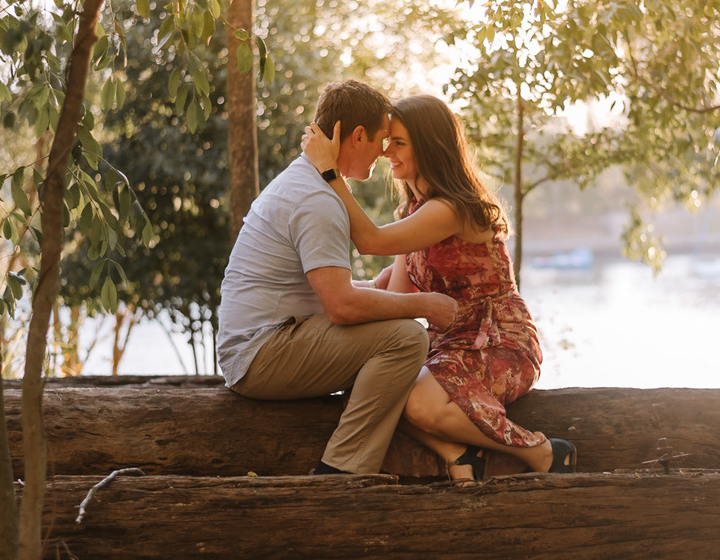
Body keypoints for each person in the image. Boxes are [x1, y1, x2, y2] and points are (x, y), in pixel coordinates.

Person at [302, 93, 577, 481]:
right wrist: (324, 299)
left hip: (499, 340)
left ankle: (541, 450)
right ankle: (460, 453)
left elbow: (371, 241)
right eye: (386, 142)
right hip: (447, 346)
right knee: (369, 388)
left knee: (419, 404)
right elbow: (396, 297)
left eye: (398, 143)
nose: (386, 153)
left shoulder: (451, 209)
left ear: (428, 146)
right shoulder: (414, 212)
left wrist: (330, 171)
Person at [216, 80, 458, 475]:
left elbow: (319, 289)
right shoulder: (317, 200)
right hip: (259, 355)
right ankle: (343, 470)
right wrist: (423, 304)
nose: (383, 154)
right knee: (406, 337)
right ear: (358, 135)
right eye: (382, 141)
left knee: (394, 327)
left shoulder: (305, 182)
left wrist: (369, 288)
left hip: (258, 344)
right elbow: (341, 306)